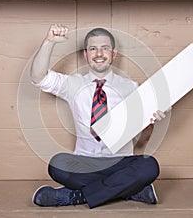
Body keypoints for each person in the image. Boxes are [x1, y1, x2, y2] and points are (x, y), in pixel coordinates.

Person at [30, 24, 168, 209]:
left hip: (121, 163)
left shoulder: (131, 87)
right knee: (57, 164)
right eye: (93, 48)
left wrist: (149, 123)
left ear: (114, 54)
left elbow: (142, 140)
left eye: (105, 48)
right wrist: (49, 43)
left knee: (149, 165)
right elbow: (38, 78)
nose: (99, 53)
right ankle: (130, 190)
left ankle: (76, 196)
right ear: (86, 55)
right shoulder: (73, 84)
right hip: (85, 163)